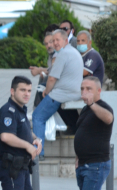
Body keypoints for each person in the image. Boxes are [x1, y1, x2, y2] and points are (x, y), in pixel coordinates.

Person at [73, 77, 114, 190]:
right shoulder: (85, 109)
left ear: (98, 91)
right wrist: (78, 157)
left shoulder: (102, 107)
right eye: (82, 88)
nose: (84, 92)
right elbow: (84, 134)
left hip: (96, 165)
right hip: (84, 164)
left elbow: (108, 118)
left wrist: (93, 104)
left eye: (89, 88)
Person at [31, 29, 82, 160]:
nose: (55, 43)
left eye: (57, 40)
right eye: (53, 41)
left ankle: (38, 153)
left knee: (37, 116)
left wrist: (46, 92)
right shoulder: (74, 52)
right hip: (74, 93)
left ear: (66, 40)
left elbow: (52, 78)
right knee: (56, 105)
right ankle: (74, 127)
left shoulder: (62, 55)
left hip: (63, 93)